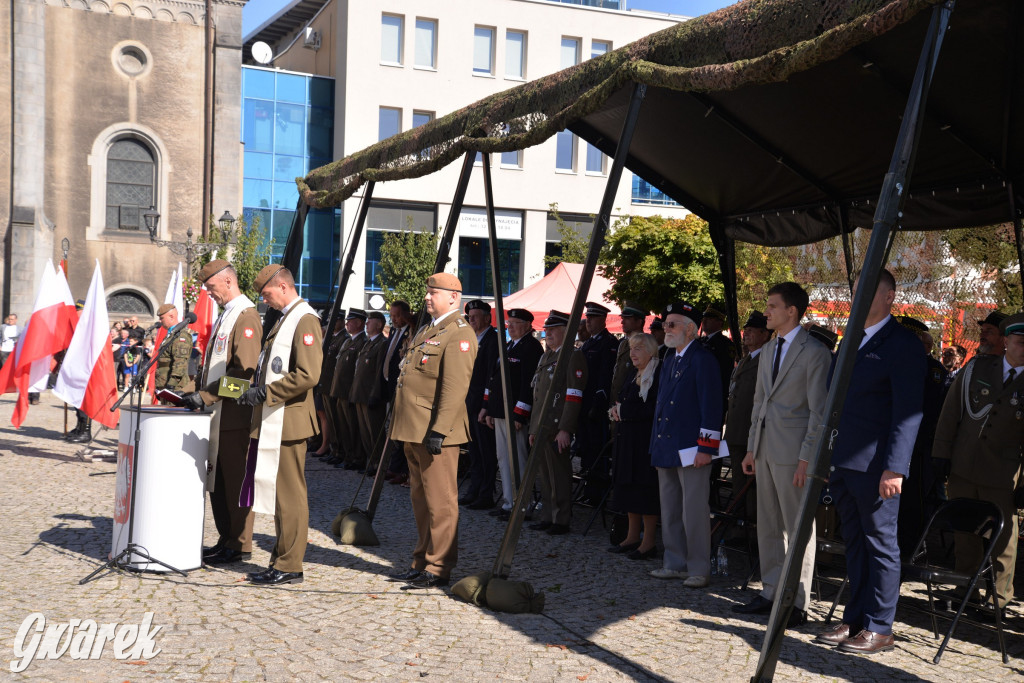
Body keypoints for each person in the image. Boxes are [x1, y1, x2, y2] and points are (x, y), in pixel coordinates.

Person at [815, 269, 926, 654]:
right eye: (854, 290)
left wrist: (895, 467)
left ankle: (881, 627)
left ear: (890, 296)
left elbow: (907, 413)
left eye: (866, 290)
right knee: (855, 545)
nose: (857, 297)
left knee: (881, 546)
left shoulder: (903, 345)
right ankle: (856, 619)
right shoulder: (851, 342)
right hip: (845, 463)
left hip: (878, 467)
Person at [735, 284, 831, 625]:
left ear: (792, 311)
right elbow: (759, 401)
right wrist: (751, 447)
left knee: (798, 528)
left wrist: (808, 457)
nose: (767, 312)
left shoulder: (816, 352)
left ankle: (798, 601)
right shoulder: (769, 348)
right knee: (769, 525)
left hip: (795, 454)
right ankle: (771, 591)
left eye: (772, 306)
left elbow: (820, 412)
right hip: (764, 449)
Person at [387, 273, 477, 589]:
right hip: (413, 428)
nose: (427, 297)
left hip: (436, 431)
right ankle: (421, 559)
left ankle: (439, 567)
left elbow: (454, 388)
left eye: (433, 292)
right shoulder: (429, 329)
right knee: (421, 500)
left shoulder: (459, 333)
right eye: (427, 292)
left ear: (454, 296)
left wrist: (439, 429)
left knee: (441, 501)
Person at [932, 312, 1024, 611]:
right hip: (964, 465)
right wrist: (941, 454)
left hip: (1003, 473)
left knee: (1003, 539)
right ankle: (964, 588)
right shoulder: (978, 367)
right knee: (964, 531)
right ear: (1007, 341)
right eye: (1020, 342)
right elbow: (950, 414)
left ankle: (997, 598)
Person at [236, 264, 321, 586]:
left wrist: (266, 394)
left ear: (282, 286)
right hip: (277, 417)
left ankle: (290, 564)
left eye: (267, 293)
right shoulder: (286, 318)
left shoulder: (304, 319)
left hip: (290, 420)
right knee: (281, 496)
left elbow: (309, 374)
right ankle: (282, 559)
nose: (265, 300)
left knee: (290, 496)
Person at [178, 260, 263, 565]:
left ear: (227, 281)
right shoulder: (228, 315)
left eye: (211, 288)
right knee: (219, 482)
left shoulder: (246, 316)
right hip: (217, 414)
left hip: (235, 416)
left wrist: (206, 395)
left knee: (235, 481)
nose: (208, 294)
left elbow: (243, 374)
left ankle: (240, 543)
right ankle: (226, 538)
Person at [649, 301, 722, 588]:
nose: (666, 329)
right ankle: (675, 562)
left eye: (672, 324)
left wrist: (706, 448)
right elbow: (661, 405)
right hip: (667, 446)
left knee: (693, 511)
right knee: (669, 509)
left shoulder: (703, 359)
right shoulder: (670, 358)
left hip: (692, 448)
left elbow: (712, 407)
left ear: (690, 330)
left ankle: (698, 568)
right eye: (666, 324)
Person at [528, 310, 587, 535]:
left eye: (553, 330)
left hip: (556, 425)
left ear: (566, 331)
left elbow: (573, 396)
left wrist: (565, 429)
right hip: (542, 425)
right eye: (547, 330)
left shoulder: (572, 356)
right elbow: (539, 396)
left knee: (559, 474)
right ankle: (548, 515)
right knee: (544, 472)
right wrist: (534, 428)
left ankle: (560, 519)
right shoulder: (547, 356)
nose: (547, 334)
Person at [480, 308, 543, 519]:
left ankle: (521, 504)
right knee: (503, 458)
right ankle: (509, 502)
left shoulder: (531, 348)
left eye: (515, 323)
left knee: (517, 459)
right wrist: (489, 408)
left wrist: (520, 414)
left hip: (515, 413)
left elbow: (528, 385)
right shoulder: (509, 346)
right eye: (509, 323)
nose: (511, 326)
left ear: (527, 325)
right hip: (500, 411)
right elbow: (494, 379)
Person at [895, 316, 948, 557]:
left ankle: (909, 551)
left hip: (916, 448)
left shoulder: (933, 370)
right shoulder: (895, 362)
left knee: (912, 503)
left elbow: (927, 412)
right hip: (891, 445)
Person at [607, 333, 661, 559]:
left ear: (650, 351)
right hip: (627, 440)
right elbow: (623, 399)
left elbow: (652, 408)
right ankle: (631, 536)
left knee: (644, 492)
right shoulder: (633, 373)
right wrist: (615, 410)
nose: (633, 353)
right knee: (628, 490)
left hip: (644, 442)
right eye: (631, 348)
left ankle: (648, 542)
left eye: (638, 348)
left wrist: (624, 412)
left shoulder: (657, 373)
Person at [723, 311, 771, 526]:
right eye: (746, 330)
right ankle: (739, 526)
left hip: (750, 433)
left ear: (765, 334)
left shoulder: (767, 359)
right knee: (738, 483)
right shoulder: (746, 359)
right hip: (736, 430)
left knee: (750, 486)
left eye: (752, 331)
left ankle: (749, 529)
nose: (746, 334)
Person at [577, 302, 618, 503]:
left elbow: (604, 377)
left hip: (596, 406)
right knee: (586, 450)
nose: (588, 321)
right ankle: (589, 490)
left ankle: (597, 493)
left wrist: (597, 404)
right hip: (584, 405)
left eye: (593, 318)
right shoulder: (588, 343)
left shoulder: (608, 343)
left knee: (597, 450)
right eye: (588, 317)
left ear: (603, 320)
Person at [461, 299, 499, 509]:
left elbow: (489, 376)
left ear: (487, 318)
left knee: (486, 452)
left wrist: (486, 404)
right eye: (469, 316)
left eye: (475, 316)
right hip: (468, 402)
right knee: (473, 451)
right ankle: (474, 489)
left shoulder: (493, 340)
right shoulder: (470, 338)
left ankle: (486, 494)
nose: (471, 319)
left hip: (482, 404)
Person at [327, 310, 367, 468]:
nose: (347, 324)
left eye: (351, 321)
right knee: (341, 425)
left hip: (349, 390)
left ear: (360, 323)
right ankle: (344, 454)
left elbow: (356, 370)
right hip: (340, 390)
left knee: (352, 427)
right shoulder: (349, 341)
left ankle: (356, 457)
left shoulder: (361, 341)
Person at [350, 311, 389, 473]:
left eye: (370, 321)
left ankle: (379, 464)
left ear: (379, 324)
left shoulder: (382, 343)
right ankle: (371, 462)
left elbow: (380, 371)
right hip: (360, 393)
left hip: (371, 395)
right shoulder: (368, 343)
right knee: (365, 432)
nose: (366, 324)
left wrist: (375, 394)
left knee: (374, 432)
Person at [382, 301, 413, 484]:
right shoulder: (394, 332)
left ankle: (401, 469)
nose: (394, 319)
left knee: (400, 432)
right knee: (391, 431)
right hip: (389, 387)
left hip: (401, 389)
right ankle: (394, 467)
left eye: (397, 315)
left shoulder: (410, 331)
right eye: (392, 316)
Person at [312, 314, 347, 458]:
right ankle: (326, 444)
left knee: (331, 416)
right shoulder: (332, 337)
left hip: (331, 383)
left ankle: (330, 446)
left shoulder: (343, 339)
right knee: (322, 413)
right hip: (323, 382)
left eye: (337, 320)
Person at [153, 304, 194, 397]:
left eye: (162, 318)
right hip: (164, 384)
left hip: (175, 388)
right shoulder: (171, 334)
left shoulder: (181, 336)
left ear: (171, 316)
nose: (160, 321)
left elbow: (180, 363)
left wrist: (171, 386)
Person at [610, 304, 647, 404]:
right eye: (623, 318)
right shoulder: (623, 343)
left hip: (631, 402)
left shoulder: (645, 345)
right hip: (616, 401)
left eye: (627, 318)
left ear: (639, 322)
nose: (622, 322)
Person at [700, 305, 736, 410]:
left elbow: (724, 373)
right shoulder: (700, 342)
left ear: (719, 322)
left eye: (709, 318)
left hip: (713, 397)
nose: (704, 321)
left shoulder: (725, 345)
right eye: (704, 318)